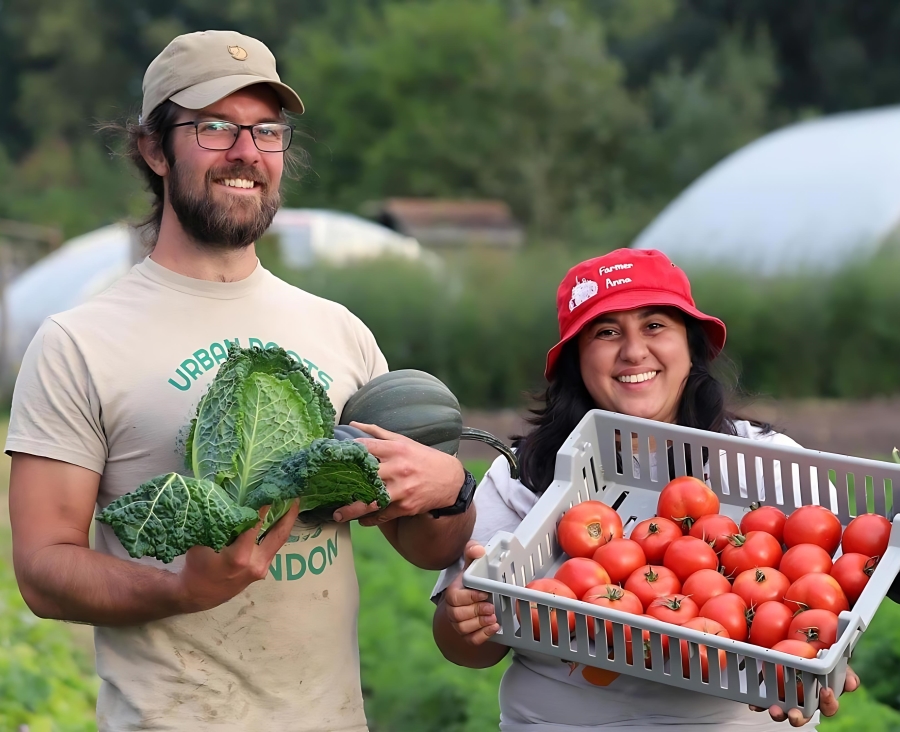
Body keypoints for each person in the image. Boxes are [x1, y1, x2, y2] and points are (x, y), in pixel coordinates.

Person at [7, 30, 475, 732]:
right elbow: (44, 569)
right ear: (154, 149)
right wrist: (181, 588)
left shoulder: (338, 329)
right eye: (215, 127)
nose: (246, 152)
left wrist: (451, 488)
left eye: (266, 130)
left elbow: (424, 547)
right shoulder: (79, 342)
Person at [432, 248, 860, 730]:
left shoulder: (769, 461)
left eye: (654, 326)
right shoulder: (522, 472)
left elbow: (834, 594)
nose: (634, 351)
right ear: (576, 359)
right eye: (606, 332)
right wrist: (464, 619)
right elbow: (467, 650)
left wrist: (823, 659)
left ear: (691, 346)